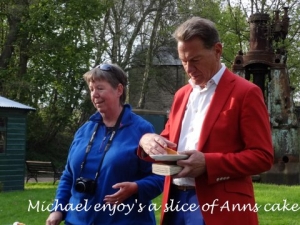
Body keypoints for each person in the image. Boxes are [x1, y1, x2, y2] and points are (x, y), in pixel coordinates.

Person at [138, 17, 274, 225]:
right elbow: (168, 141)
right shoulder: (181, 95)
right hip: (175, 203)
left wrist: (209, 163)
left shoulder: (246, 93)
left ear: (217, 51)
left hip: (220, 208)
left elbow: (262, 156)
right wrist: (147, 141)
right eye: (183, 61)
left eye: (195, 60)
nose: (188, 69)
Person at [46, 63, 164, 225]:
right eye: (91, 89)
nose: (94, 94)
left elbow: (160, 176)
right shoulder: (84, 131)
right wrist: (58, 209)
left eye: (100, 88)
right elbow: (68, 175)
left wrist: (137, 187)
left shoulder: (142, 130)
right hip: (77, 221)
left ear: (119, 90)